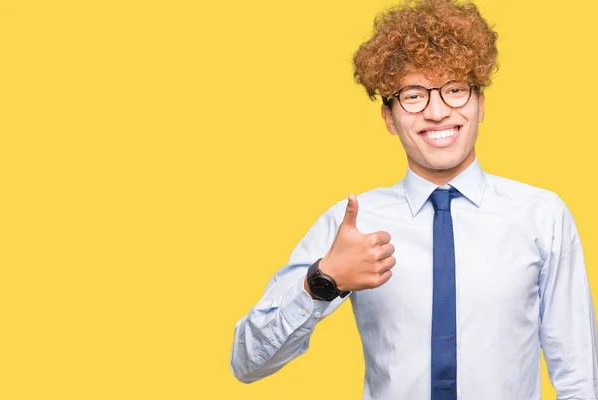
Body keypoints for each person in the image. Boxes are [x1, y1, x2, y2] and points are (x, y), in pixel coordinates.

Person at [229, 0, 598, 398]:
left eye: (455, 89)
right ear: (389, 117)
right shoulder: (354, 224)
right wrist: (321, 282)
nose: (438, 111)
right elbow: (247, 363)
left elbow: (579, 377)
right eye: (414, 95)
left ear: (480, 103)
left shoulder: (542, 216)